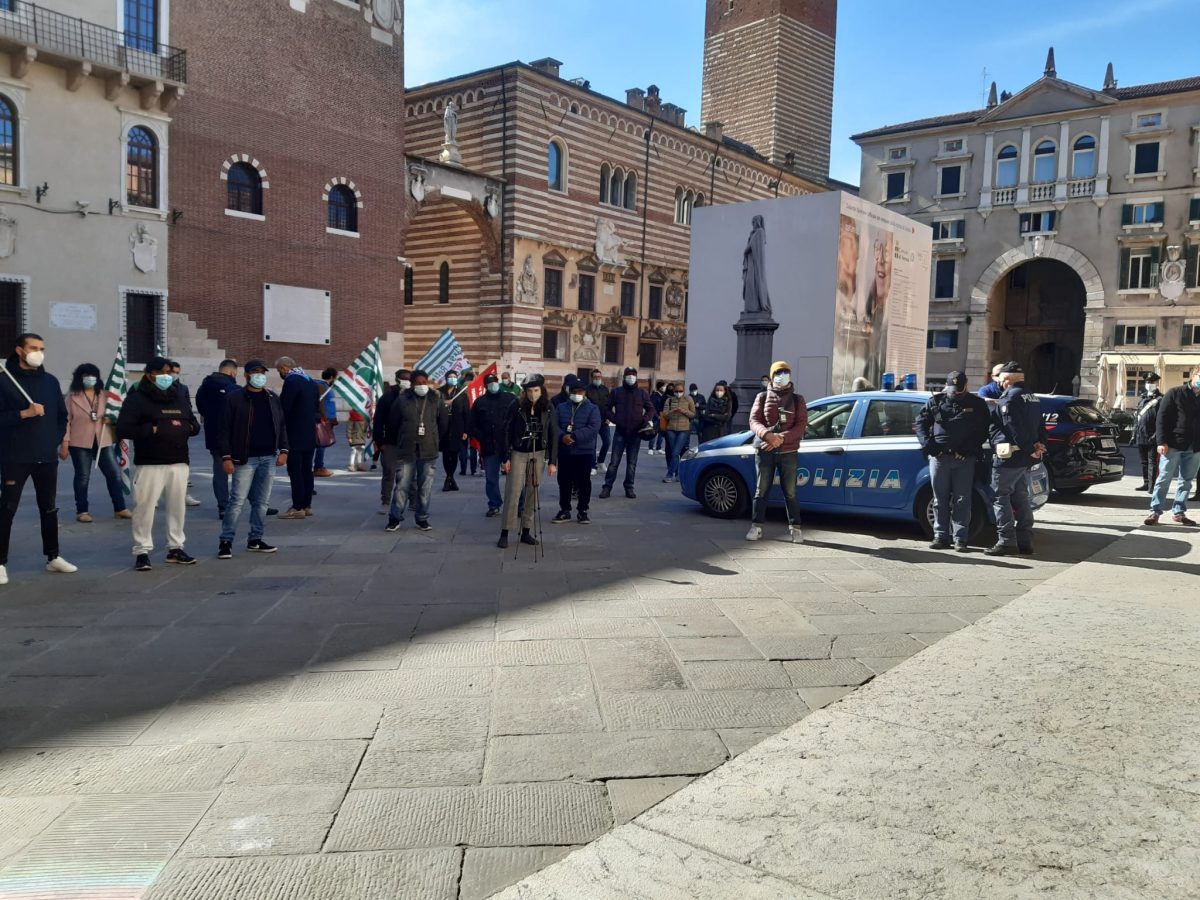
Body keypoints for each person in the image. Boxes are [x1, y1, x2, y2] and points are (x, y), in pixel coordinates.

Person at [0, 333, 77, 585]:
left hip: (46, 456)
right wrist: (23, 413)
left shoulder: (50, 381)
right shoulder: (4, 380)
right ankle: (0, 562)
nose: (38, 352)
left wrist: (53, 440)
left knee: (50, 508)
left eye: (42, 348)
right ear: (20, 350)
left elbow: (61, 416)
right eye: (33, 347)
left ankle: (53, 556)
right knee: (7, 509)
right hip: (15, 455)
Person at [116, 356, 201, 571]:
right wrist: (152, 430)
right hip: (150, 462)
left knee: (177, 507)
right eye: (164, 372)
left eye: (171, 372)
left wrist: (187, 428)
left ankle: (175, 547)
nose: (169, 376)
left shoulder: (179, 395)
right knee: (144, 507)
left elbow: (194, 423)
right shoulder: (137, 398)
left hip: (179, 460)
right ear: (150, 374)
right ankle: (142, 550)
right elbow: (124, 428)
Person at [217, 360, 288, 559]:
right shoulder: (235, 398)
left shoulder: (272, 398)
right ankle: (226, 540)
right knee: (237, 501)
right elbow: (223, 429)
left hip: (268, 457)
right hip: (244, 459)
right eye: (255, 372)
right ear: (246, 375)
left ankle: (255, 538)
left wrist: (284, 450)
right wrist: (226, 457)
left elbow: (281, 425)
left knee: (262, 502)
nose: (259, 375)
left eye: (262, 372)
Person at [916, 371, 990, 552]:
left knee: (962, 500)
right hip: (940, 458)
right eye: (952, 389)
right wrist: (929, 445)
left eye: (958, 389)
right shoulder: (936, 401)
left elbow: (983, 430)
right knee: (939, 499)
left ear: (966, 386)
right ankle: (940, 536)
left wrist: (969, 449)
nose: (955, 393)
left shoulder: (977, 404)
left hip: (964, 459)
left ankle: (960, 539)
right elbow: (920, 424)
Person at [986, 362, 1047, 556]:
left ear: (1009, 380)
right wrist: (1038, 445)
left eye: (1002, 380)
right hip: (1025, 458)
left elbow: (1014, 428)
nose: (1001, 383)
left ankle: (1006, 541)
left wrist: (1030, 447)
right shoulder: (1033, 397)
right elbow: (1040, 424)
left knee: (1000, 496)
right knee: (1021, 497)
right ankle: (1025, 540)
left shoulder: (1010, 398)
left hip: (1010, 457)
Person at [747, 361, 807, 542]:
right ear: (772, 376)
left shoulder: (798, 399)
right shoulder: (762, 397)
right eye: (779, 372)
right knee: (761, 490)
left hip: (788, 452)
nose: (783, 375)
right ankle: (756, 527)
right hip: (765, 450)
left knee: (790, 491)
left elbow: (801, 425)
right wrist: (767, 435)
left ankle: (795, 528)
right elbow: (753, 421)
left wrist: (780, 438)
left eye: (786, 372)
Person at [63, 363, 131, 523]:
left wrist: (112, 419)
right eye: (86, 376)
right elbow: (65, 421)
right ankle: (82, 511)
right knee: (83, 476)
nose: (90, 379)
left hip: (103, 440)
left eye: (93, 375)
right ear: (79, 378)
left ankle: (120, 508)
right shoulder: (72, 397)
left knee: (113, 474)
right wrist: (65, 443)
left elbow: (118, 412)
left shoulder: (105, 396)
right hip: (79, 442)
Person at [497, 374, 558, 548]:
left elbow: (554, 433)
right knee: (513, 492)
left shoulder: (548, 407)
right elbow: (506, 430)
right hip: (518, 452)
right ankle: (505, 532)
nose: (533, 394)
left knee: (533, 492)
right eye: (530, 391)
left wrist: (552, 461)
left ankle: (526, 530)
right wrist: (505, 457)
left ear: (542, 390)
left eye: (536, 390)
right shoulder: (515, 406)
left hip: (538, 453)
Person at [386, 370, 447, 532]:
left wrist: (434, 438)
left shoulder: (435, 399)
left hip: (428, 450)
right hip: (407, 449)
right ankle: (395, 517)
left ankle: (422, 518)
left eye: (424, 382)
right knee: (402, 485)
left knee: (425, 487)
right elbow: (393, 423)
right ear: (412, 384)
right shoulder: (402, 400)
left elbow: (443, 423)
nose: (422, 385)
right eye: (418, 383)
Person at [1143, 369, 1200, 527]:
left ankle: (1179, 512)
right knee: (1164, 478)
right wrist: (1161, 441)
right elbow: (1162, 418)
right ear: (1193, 376)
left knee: (1187, 481)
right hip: (1173, 443)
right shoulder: (1175, 393)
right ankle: (1155, 511)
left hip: (1195, 446)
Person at [600, 367, 654, 500]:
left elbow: (651, 409)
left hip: (636, 433)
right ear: (624, 377)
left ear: (636, 377)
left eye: (633, 375)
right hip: (620, 432)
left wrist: (644, 419)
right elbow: (607, 408)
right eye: (628, 375)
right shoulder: (617, 392)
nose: (630, 377)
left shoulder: (642, 393)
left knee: (632, 462)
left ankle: (629, 487)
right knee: (614, 462)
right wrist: (615, 419)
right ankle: (607, 487)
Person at [275, 357, 319, 519]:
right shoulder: (309, 381)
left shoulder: (291, 381)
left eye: (279, 370)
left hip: (294, 433)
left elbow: (284, 408)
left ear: (285, 368)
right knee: (307, 470)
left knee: (295, 471)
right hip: (309, 433)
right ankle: (307, 505)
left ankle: (297, 506)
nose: (280, 374)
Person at [195, 359, 240, 517]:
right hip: (234, 436)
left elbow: (201, 408)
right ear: (232, 372)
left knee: (219, 472)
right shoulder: (234, 388)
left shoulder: (203, 387)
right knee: (242, 472)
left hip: (214, 434)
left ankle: (223, 506)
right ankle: (245, 503)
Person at [553, 378, 600, 524]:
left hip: (584, 451)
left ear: (584, 392)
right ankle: (565, 509)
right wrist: (562, 436)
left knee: (584, 482)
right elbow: (554, 425)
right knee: (564, 481)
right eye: (573, 392)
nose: (576, 394)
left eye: (579, 391)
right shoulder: (561, 407)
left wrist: (574, 436)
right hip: (566, 451)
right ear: (569, 392)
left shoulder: (592, 408)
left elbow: (593, 428)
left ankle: (583, 510)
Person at [469, 372, 517, 518]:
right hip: (489, 445)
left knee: (516, 477)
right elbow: (472, 425)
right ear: (485, 386)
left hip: (510, 445)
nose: (493, 385)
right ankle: (494, 504)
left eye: (494, 382)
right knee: (491, 478)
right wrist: (482, 437)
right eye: (489, 383)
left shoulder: (511, 399)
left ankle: (519, 505)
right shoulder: (480, 402)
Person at [167, 361, 203, 508]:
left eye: (177, 372)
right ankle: (155, 496)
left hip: (180, 432)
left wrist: (191, 426)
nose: (174, 375)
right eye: (172, 372)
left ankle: (182, 495)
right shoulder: (156, 389)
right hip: (162, 432)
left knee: (182, 465)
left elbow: (187, 407)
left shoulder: (183, 388)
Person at [374, 369, 409, 514]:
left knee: (409, 475)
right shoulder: (387, 398)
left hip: (409, 442)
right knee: (389, 473)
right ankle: (386, 500)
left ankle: (411, 501)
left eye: (409, 379)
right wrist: (380, 442)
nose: (407, 381)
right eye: (404, 378)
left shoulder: (414, 397)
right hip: (390, 442)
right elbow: (378, 421)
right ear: (397, 379)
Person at [439, 370, 469, 492]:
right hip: (444, 427)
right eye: (450, 377)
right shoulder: (440, 392)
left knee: (455, 453)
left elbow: (467, 413)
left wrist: (466, 430)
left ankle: (450, 477)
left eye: (454, 377)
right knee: (446, 454)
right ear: (446, 378)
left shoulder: (462, 393)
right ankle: (449, 477)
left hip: (458, 428)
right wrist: (443, 403)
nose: (452, 378)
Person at [1133, 373, 1163, 491]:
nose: (1149, 384)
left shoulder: (1161, 399)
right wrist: (1133, 435)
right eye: (1147, 382)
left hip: (1152, 435)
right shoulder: (1142, 399)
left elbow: (1162, 419)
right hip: (1141, 434)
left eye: (1151, 382)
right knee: (1144, 462)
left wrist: (1157, 434)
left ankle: (1152, 485)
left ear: (1156, 383)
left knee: (1152, 462)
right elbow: (1137, 418)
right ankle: (1146, 483)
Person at [662, 382, 696, 483]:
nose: (678, 393)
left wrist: (684, 411)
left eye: (680, 391)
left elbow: (693, 414)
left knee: (676, 452)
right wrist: (672, 412)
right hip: (671, 429)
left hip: (684, 429)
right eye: (676, 391)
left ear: (683, 391)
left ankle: (669, 474)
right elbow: (665, 415)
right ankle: (677, 474)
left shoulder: (688, 399)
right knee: (674, 453)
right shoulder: (669, 400)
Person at [586, 370, 612, 475]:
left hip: (604, 421)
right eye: (595, 377)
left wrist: (609, 417)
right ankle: (593, 465)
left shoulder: (605, 389)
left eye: (599, 376)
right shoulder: (587, 389)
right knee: (592, 445)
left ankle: (601, 461)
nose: (597, 378)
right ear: (592, 378)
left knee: (607, 442)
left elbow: (609, 405)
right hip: (592, 421)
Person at [313, 367, 338, 478]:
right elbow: (321, 403)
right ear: (332, 377)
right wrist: (325, 418)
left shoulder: (325, 386)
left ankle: (319, 466)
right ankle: (318, 467)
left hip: (327, 419)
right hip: (323, 420)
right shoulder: (321, 386)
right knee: (321, 443)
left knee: (321, 443)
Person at [648, 381, 666, 454]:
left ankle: (659, 447)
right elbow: (652, 407)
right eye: (664, 386)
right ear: (660, 387)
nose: (665, 388)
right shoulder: (654, 396)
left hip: (663, 417)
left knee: (661, 434)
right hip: (656, 417)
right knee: (654, 433)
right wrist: (656, 416)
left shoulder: (664, 396)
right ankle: (650, 448)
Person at [689, 383, 707, 448]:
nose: (693, 391)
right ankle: (686, 447)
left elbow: (705, 406)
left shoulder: (701, 397)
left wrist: (699, 406)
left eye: (694, 390)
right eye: (692, 390)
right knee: (687, 433)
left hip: (699, 417)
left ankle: (701, 446)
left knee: (700, 433)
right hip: (690, 418)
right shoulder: (688, 397)